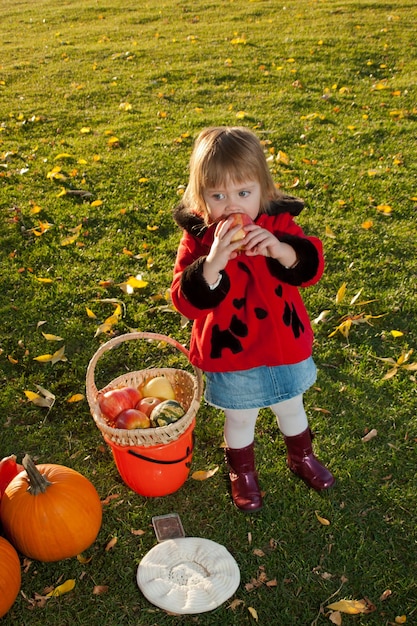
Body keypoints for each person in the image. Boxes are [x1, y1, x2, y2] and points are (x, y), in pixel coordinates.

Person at [170, 126, 334, 512]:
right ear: (200, 199)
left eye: (243, 193)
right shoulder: (199, 239)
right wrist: (211, 266)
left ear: (263, 190)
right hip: (233, 349)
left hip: (282, 341)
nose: (233, 206)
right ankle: (242, 473)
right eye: (218, 196)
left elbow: (310, 268)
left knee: (291, 406)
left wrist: (280, 250)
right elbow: (184, 300)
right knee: (240, 417)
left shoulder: (278, 225)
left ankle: (301, 456)